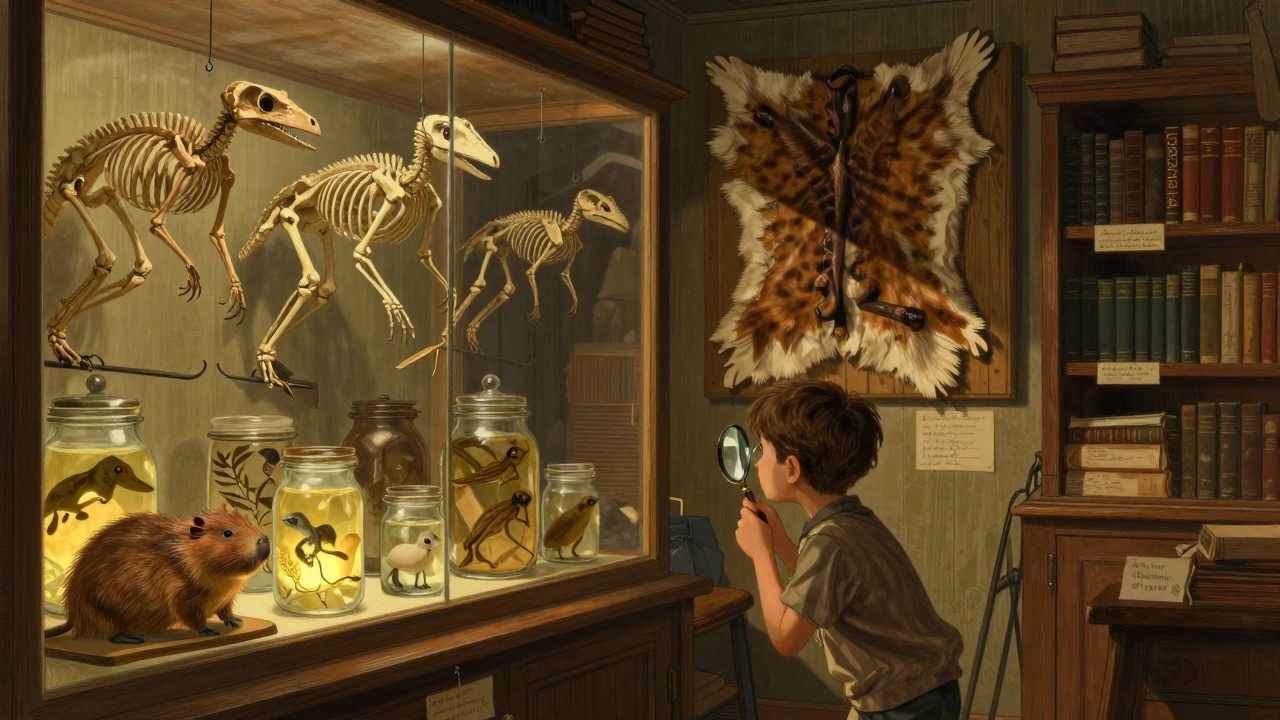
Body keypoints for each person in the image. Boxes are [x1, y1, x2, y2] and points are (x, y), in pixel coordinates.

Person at [733, 379, 964, 720]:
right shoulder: (850, 522)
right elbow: (824, 590)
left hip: (901, 704)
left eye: (762, 450)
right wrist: (779, 540)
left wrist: (762, 553)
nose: (755, 462)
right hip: (923, 691)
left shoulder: (830, 541)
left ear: (792, 468)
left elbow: (785, 638)